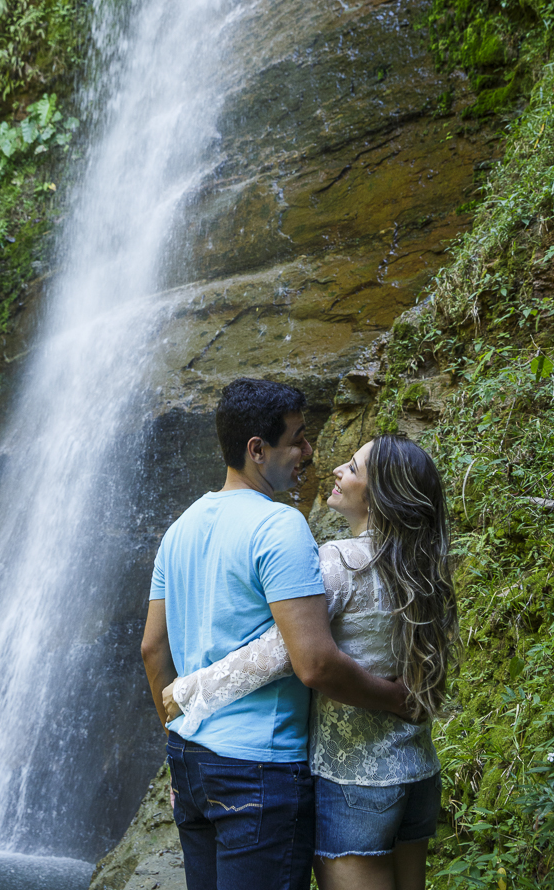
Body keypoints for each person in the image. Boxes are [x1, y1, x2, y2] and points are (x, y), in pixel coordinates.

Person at [141, 378, 409, 890]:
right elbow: (315, 663)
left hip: (191, 762)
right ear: (257, 450)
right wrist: (395, 699)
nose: (309, 451)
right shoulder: (279, 527)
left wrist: (180, 733)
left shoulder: (179, 529)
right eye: (298, 439)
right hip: (259, 770)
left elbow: (152, 648)